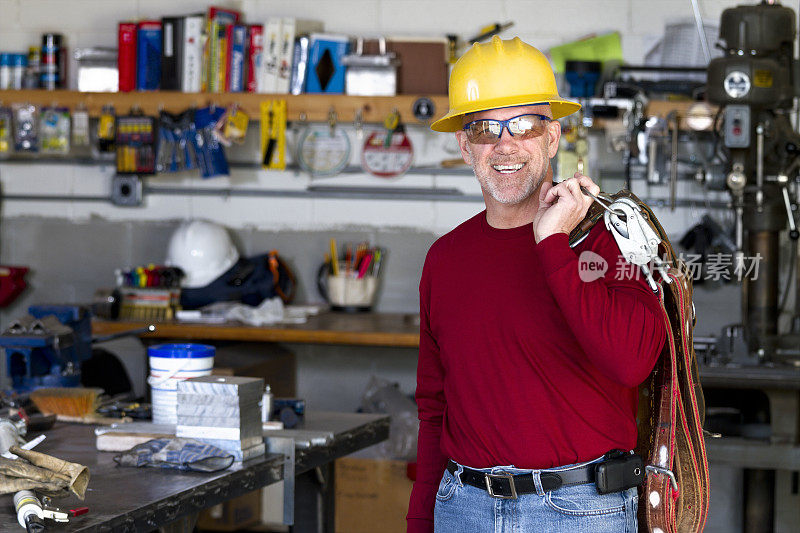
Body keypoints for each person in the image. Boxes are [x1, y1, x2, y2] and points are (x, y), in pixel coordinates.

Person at [406, 36, 667, 533]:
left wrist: (551, 246)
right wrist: (421, 519)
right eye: (485, 128)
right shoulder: (445, 260)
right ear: (465, 147)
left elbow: (631, 362)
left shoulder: (612, 242)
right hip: (464, 507)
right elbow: (434, 409)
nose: (506, 145)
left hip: (582, 511)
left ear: (553, 138)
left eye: (525, 125)